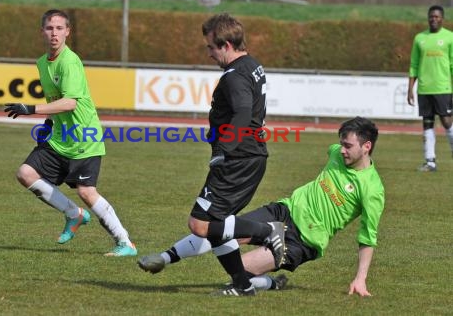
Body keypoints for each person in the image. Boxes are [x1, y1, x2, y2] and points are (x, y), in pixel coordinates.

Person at [139, 116, 384, 297]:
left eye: (348, 146)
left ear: (367, 147)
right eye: (340, 143)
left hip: (305, 240)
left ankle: (269, 283)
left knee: (239, 269)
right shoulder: (335, 153)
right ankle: (164, 258)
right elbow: (336, 149)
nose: (341, 150)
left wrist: (360, 278)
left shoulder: (372, 189)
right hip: (283, 211)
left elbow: (368, 238)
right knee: (223, 228)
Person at [141, 13, 284, 297]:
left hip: (238, 159)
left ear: (227, 44)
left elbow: (243, 112)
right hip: (249, 156)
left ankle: (266, 231)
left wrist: (224, 150)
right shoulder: (252, 64)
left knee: (201, 223)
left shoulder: (234, 76)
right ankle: (243, 286)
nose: (209, 53)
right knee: (218, 225)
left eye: (211, 47)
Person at [4, 9, 137, 257]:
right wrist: (49, 123)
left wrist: (30, 109)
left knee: (86, 192)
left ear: (67, 32)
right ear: (42, 31)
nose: (54, 33)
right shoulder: (43, 63)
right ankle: (73, 214)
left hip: (83, 138)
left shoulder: (69, 61)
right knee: (25, 173)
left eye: (59, 28)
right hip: (59, 136)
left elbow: (70, 103)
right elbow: (55, 101)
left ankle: (125, 242)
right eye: (49, 28)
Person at [407, 5, 453, 172]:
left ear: (442, 19)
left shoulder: (450, 37)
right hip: (425, 89)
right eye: (431, 17)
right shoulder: (420, 38)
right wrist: (410, 88)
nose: (434, 19)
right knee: (427, 124)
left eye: (437, 17)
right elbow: (414, 64)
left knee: (447, 122)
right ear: (428, 18)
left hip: (443, 88)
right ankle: (430, 161)